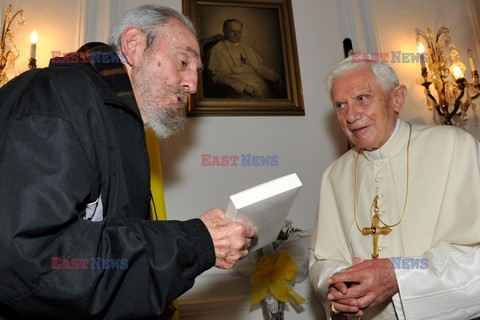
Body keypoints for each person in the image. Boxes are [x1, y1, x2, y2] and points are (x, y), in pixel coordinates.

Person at [0, 5, 256, 319]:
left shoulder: (112, 115)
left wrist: (195, 240)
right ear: (133, 45)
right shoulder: (54, 98)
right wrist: (195, 241)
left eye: (197, 70)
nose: (192, 84)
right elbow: (39, 260)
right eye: (183, 61)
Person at [309, 56, 480, 319]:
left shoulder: (455, 147)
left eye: (362, 98)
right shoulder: (334, 175)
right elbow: (321, 260)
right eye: (340, 105)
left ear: (397, 99)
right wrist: (339, 284)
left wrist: (400, 276)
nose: (351, 115)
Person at [206, 18, 284, 98]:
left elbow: (260, 68)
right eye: (232, 31)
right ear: (224, 30)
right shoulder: (216, 51)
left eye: (239, 32)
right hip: (237, 90)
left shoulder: (247, 48)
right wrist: (244, 87)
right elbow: (219, 76)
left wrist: (277, 78)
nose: (236, 34)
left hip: (261, 86)